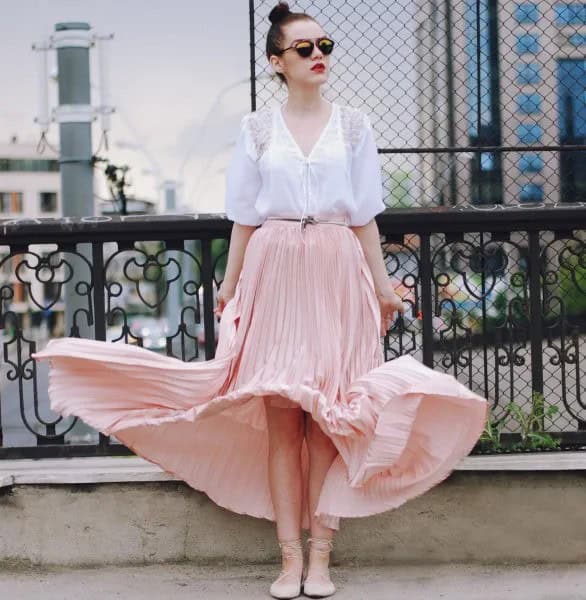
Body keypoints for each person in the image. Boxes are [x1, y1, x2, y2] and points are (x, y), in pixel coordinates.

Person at [32, 2, 489, 599]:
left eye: (324, 45)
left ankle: (322, 557)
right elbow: (244, 220)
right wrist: (229, 285)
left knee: (328, 421)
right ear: (277, 61)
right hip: (273, 271)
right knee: (281, 425)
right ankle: (289, 559)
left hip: (334, 271)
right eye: (304, 48)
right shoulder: (255, 129)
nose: (319, 55)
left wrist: (382, 285)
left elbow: (366, 216)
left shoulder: (354, 125)